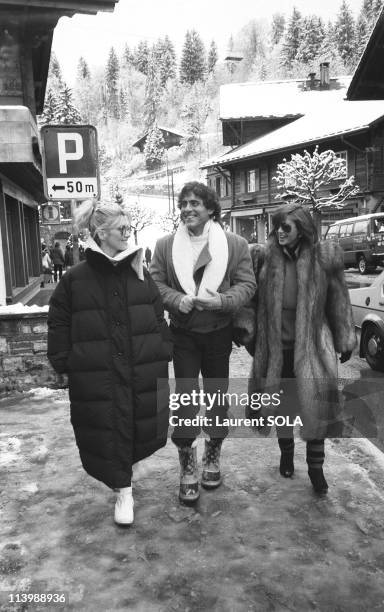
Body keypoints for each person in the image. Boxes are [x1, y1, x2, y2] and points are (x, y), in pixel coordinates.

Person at [47, 200, 172, 525]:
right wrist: (64, 361)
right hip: (97, 371)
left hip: (140, 366)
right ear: (101, 233)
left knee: (133, 424)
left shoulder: (140, 275)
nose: (128, 233)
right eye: (122, 228)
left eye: (129, 227)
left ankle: (124, 484)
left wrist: (163, 348)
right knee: (107, 425)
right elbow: (59, 321)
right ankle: (123, 491)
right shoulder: (75, 279)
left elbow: (157, 316)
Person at [150, 181, 256, 503]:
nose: (187, 209)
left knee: (216, 398)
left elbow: (247, 284)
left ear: (211, 208)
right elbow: (155, 283)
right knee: (185, 399)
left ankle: (212, 455)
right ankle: (187, 465)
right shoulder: (165, 245)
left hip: (218, 333)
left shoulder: (235, 244)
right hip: (183, 334)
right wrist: (175, 299)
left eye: (195, 203)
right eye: (183, 204)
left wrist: (223, 302)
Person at [246, 203, 356, 494]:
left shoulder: (323, 258)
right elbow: (250, 301)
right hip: (276, 348)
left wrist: (344, 337)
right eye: (277, 225)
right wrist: (248, 333)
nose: (279, 232)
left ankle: (316, 469)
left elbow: (338, 300)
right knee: (284, 407)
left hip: (312, 349)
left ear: (302, 229)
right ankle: (286, 453)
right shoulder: (263, 258)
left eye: (286, 226)